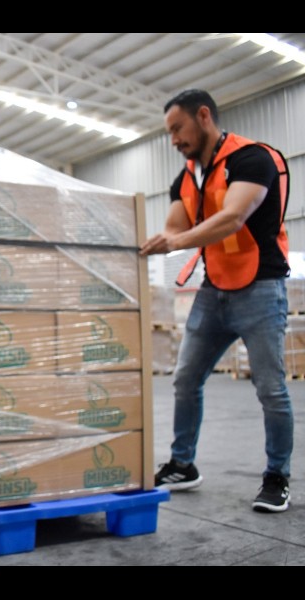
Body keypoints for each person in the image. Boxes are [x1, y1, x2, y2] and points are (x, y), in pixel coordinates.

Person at [140, 89, 293, 513]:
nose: (174, 139)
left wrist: (176, 242)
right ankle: (183, 464)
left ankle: (277, 476)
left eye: (178, 129)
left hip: (261, 288)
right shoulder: (185, 178)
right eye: (169, 133)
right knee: (185, 378)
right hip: (214, 291)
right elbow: (175, 225)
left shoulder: (252, 159)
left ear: (203, 116)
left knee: (271, 389)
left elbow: (233, 218)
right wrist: (157, 240)